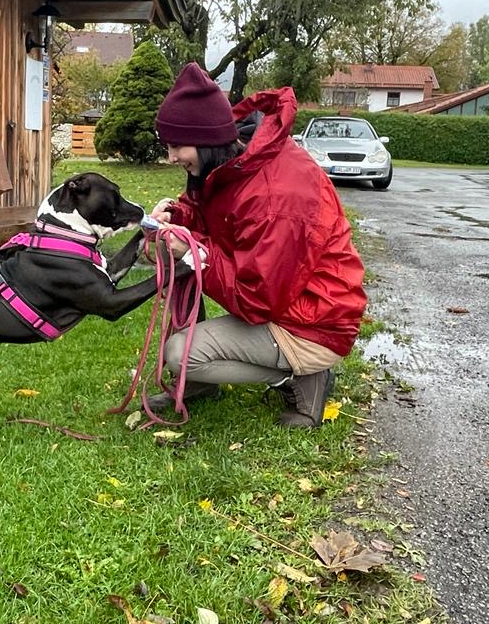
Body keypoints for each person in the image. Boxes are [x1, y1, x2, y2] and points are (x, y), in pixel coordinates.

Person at [148, 63, 367, 427]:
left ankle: (302, 375)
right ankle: (199, 385)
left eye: (176, 146)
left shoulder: (275, 195)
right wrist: (176, 217)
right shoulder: (234, 161)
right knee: (182, 275)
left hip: (314, 322)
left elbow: (257, 300)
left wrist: (194, 252)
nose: (170, 157)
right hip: (290, 306)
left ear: (205, 139)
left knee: (180, 354)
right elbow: (212, 212)